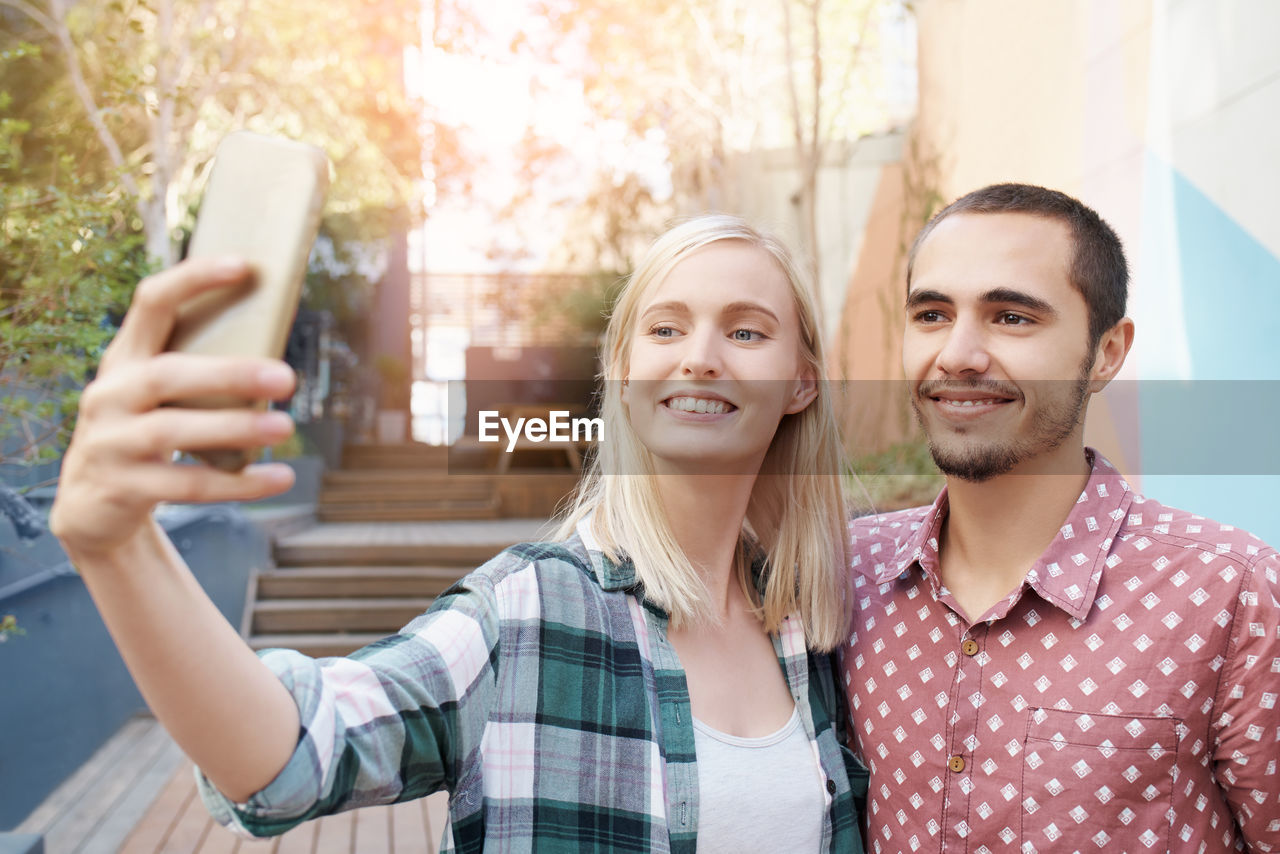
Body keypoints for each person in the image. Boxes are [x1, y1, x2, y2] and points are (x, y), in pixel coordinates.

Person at [50, 214, 867, 853]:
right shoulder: (528, 611)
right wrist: (117, 548)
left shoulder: (818, 630)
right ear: (622, 371)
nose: (700, 357)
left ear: (801, 382)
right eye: (664, 328)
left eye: (746, 331)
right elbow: (290, 754)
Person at [842, 183, 1280, 851]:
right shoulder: (848, 574)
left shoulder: (1232, 593)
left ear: (1106, 352)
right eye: (931, 314)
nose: (957, 354)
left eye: (1012, 317)